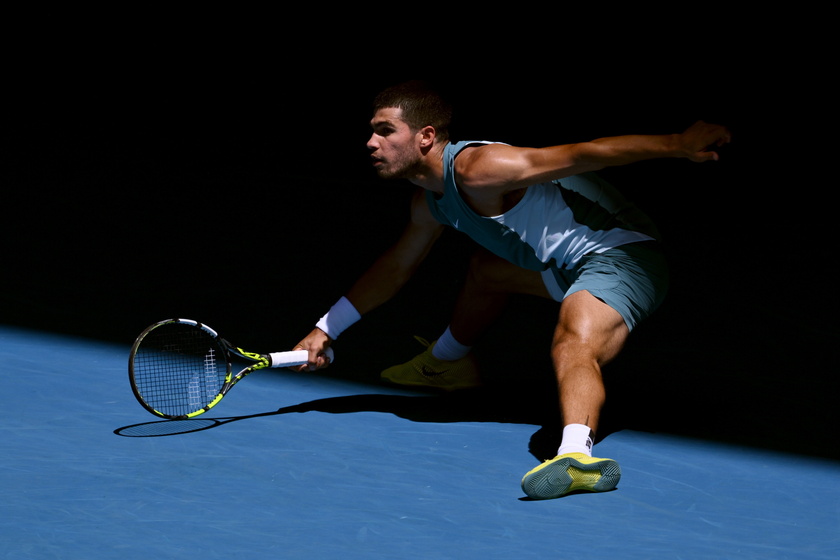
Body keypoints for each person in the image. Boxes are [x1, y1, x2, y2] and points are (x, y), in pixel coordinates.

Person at [292, 80, 731, 500]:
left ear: (425, 136)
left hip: (624, 256)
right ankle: (447, 364)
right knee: (487, 271)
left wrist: (676, 143)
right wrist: (326, 328)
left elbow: (584, 153)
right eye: (371, 132)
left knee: (573, 340)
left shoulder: (481, 168)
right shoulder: (428, 200)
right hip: (567, 266)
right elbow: (396, 267)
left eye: (385, 131)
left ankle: (577, 458)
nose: (371, 143)